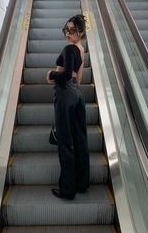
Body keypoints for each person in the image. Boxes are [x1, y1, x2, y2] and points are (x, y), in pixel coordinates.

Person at [46, 14, 90, 200]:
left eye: (72, 30)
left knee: (65, 142)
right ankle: (81, 183)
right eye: (66, 29)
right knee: (80, 139)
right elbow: (77, 78)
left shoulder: (69, 48)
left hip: (65, 94)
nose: (68, 33)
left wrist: (51, 74)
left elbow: (64, 76)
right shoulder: (81, 50)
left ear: (80, 33)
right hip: (77, 95)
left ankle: (67, 189)